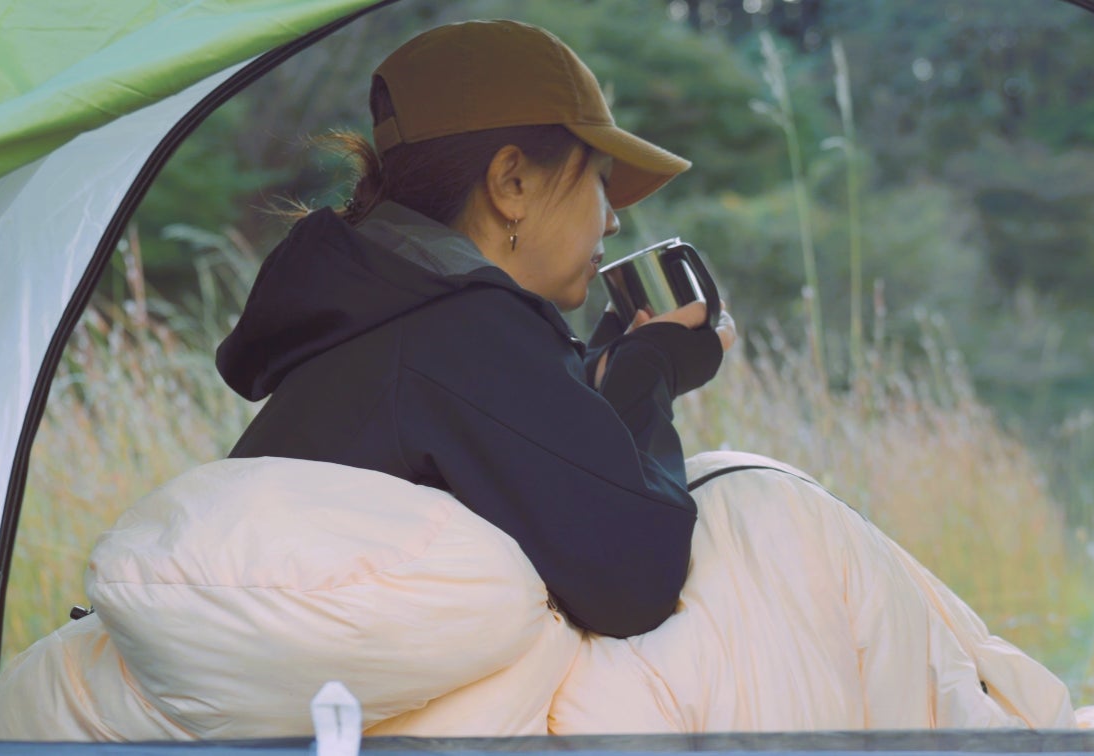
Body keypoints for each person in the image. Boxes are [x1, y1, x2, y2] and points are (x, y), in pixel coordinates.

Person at [216, 18, 735, 639]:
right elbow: (639, 580)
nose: (613, 222)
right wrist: (649, 371)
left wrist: (591, 384)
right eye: (600, 180)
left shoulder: (384, 310)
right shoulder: (461, 330)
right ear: (512, 183)